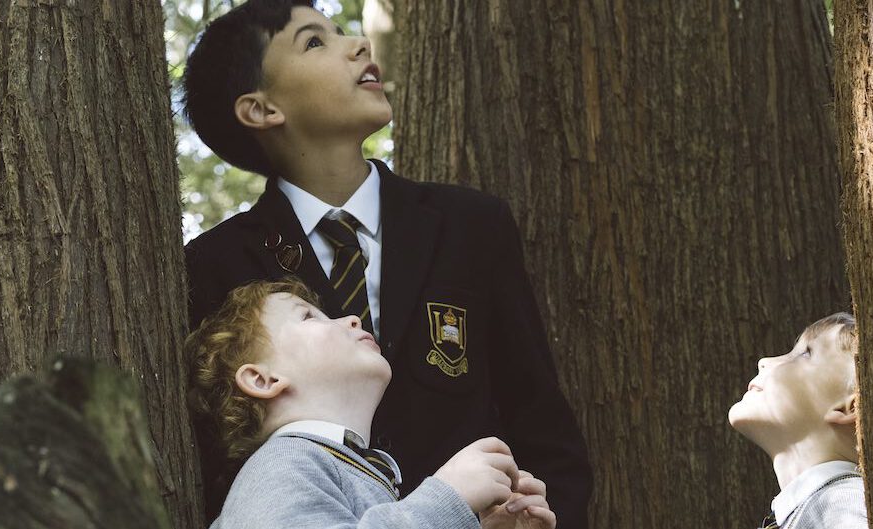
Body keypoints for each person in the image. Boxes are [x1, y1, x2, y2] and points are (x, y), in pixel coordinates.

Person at [179, 1, 593, 524]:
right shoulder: (213, 264)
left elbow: (540, 421)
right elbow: (219, 467)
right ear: (261, 109)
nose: (359, 45)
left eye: (345, 30)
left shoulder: (470, 224)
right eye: (314, 41)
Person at [189, 279, 556, 528]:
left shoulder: (344, 468)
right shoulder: (281, 465)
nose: (352, 319)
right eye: (308, 316)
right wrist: (447, 499)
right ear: (263, 379)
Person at [727, 313, 868, 529]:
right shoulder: (822, 506)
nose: (764, 362)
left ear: (849, 407)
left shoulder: (840, 504)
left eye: (805, 354)